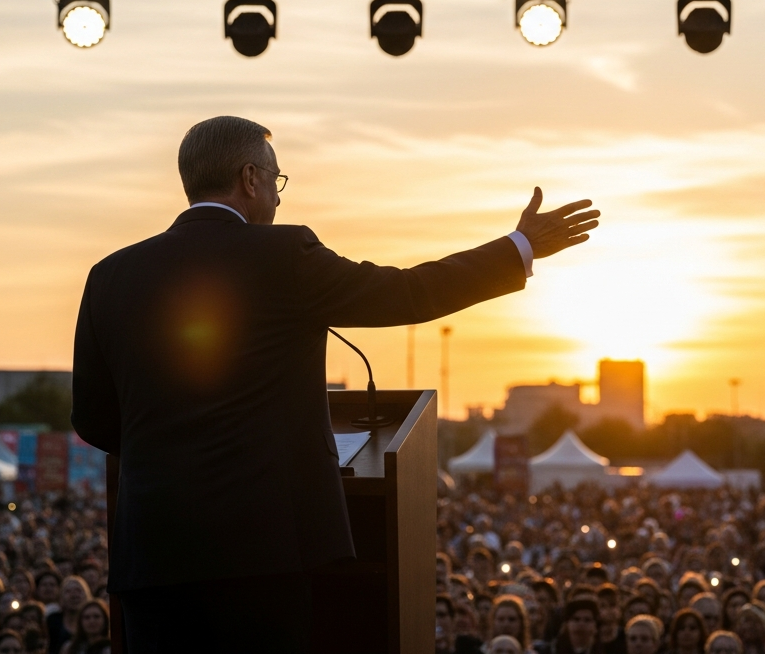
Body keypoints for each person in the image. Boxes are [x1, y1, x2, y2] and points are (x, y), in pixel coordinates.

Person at [71, 116, 599, 654]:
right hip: (266, 558)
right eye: (276, 182)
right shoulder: (285, 256)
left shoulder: (110, 276)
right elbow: (410, 292)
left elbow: (91, 417)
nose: (278, 200)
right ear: (249, 178)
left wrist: (168, 453)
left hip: (152, 560)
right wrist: (519, 247)